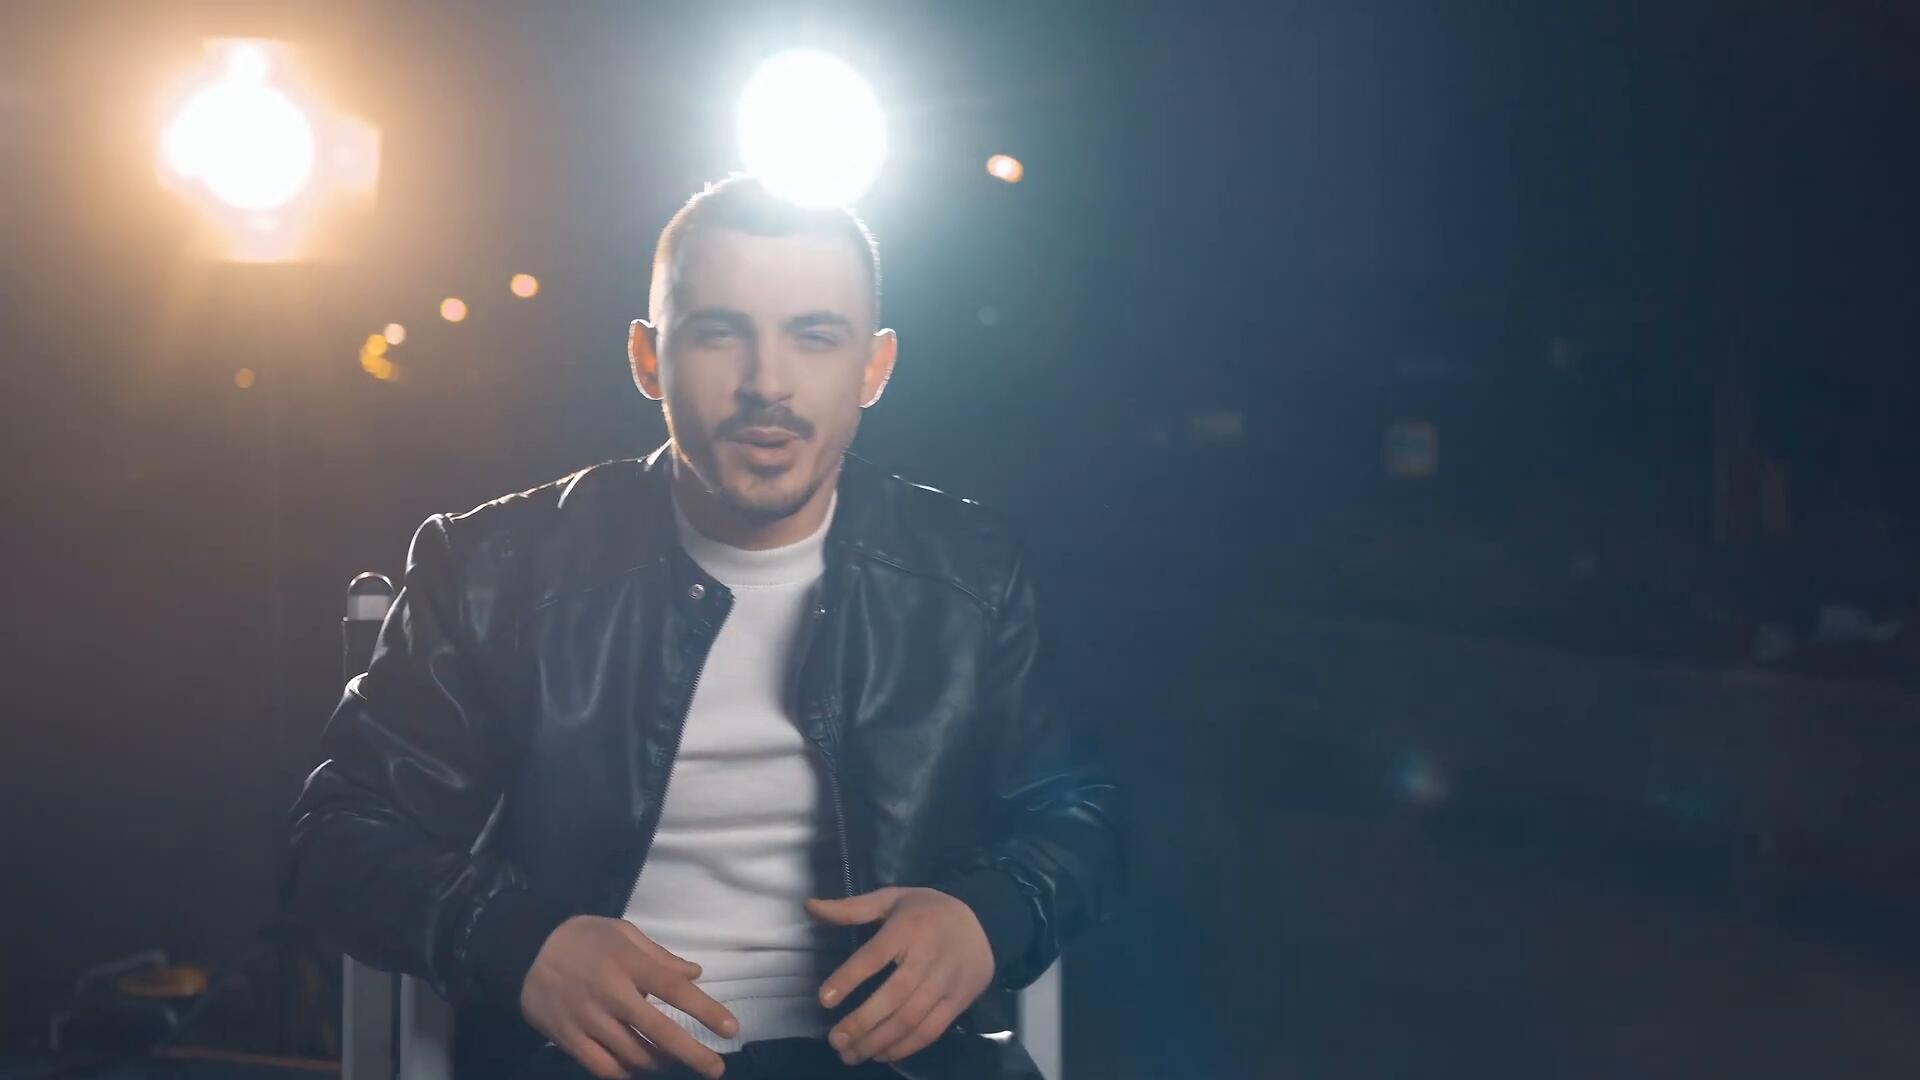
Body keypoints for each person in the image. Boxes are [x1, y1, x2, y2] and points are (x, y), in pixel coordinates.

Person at [286, 175, 1126, 1080]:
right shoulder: (493, 569)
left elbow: (1082, 814)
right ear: (649, 359)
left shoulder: (972, 573)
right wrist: (521, 942)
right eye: (720, 333)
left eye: (815, 337)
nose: (767, 384)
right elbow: (339, 836)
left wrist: (986, 916)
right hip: (588, 1062)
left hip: (890, 1063)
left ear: (873, 368)